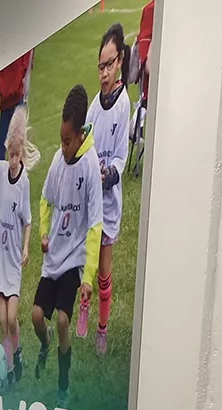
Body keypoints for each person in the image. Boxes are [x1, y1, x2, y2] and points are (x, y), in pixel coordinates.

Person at [33, 85, 102, 407]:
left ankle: (63, 385)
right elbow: (45, 199)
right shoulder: (58, 163)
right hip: (53, 259)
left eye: (66, 141)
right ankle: (45, 346)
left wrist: (88, 276)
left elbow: (95, 224)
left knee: (62, 319)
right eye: (60, 140)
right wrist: (44, 233)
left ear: (80, 135)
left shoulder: (90, 166)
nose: (62, 147)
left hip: (74, 260)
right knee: (36, 317)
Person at [83, 23, 132, 354]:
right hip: (90, 205)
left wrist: (107, 175)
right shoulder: (93, 107)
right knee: (84, 263)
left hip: (109, 205)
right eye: (100, 66)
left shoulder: (123, 104)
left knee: (103, 270)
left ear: (121, 61)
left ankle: (103, 328)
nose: (104, 72)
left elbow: (119, 157)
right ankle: (82, 306)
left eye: (109, 64)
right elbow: (85, 145)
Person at [0, 107, 39, 383]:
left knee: (12, 317)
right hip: (0, 261)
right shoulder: (2, 172)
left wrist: (26, 248)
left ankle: (17, 355)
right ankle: (9, 366)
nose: (14, 160)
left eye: (18, 155)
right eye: (11, 154)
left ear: (22, 153)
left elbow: (28, 221)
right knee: (1, 321)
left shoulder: (24, 183)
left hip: (14, 261)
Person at [0, 51, 34, 161]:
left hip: (14, 94)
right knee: (8, 141)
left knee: (13, 140)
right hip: (10, 96)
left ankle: (16, 168)